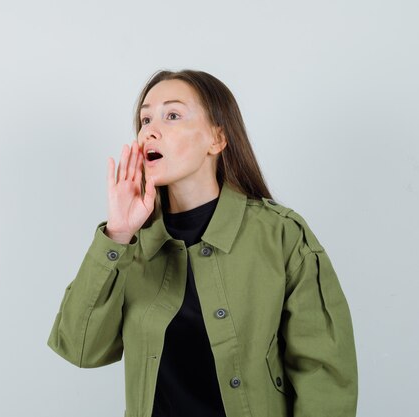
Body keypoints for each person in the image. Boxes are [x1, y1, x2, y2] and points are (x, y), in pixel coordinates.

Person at [47, 69, 358, 417]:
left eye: (173, 115)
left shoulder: (281, 235)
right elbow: (80, 348)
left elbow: (325, 377)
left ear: (217, 139)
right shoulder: (129, 243)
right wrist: (117, 233)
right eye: (145, 118)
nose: (149, 129)